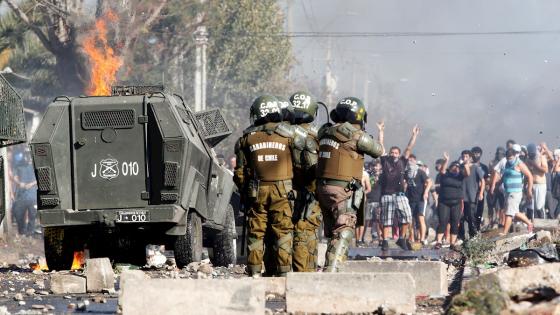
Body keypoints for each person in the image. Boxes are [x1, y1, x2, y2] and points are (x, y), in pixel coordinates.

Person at [233, 95, 306, 277]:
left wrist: (245, 191)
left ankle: (255, 271)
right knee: (282, 232)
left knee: (256, 233)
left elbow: (240, 173)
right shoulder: (290, 135)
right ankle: (283, 274)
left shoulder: (247, 138)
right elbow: (301, 165)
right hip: (284, 191)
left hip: (257, 191)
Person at [315, 97, 382, 272]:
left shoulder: (325, 131)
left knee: (332, 233)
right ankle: (332, 271)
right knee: (344, 229)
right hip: (342, 189)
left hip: (322, 187)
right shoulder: (355, 135)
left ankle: (329, 266)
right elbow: (378, 150)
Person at [289, 91, 322, 272]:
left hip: (285, 190)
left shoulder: (283, 132)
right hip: (308, 193)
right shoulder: (315, 136)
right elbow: (315, 168)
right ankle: (305, 274)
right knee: (306, 234)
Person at [377, 122, 420, 251]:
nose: (394, 154)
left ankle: (401, 239)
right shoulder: (385, 161)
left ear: (399, 154)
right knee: (386, 219)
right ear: (390, 153)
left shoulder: (402, 161)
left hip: (400, 194)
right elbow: (380, 145)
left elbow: (409, 148)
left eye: (396, 153)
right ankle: (384, 241)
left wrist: (414, 135)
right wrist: (381, 131)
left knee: (407, 216)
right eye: (392, 152)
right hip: (387, 194)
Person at [490, 148, 533, 234]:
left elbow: (529, 176)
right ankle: (529, 223)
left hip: (515, 192)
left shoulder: (519, 164)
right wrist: (496, 184)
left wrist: (529, 190)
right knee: (514, 213)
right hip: (507, 191)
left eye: (511, 158)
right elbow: (504, 176)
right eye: (508, 158)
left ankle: (505, 232)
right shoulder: (506, 164)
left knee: (509, 213)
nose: (510, 160)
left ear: (514, 156)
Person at [434, 152, 470, 250]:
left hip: (456, 202)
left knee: (455, 222)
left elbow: (467, 173)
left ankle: (452, 243)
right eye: (454, 167)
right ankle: (438, 242)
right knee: (443, 221)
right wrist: (446, 160)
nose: (456, 168)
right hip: (444, 202)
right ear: (450, 168)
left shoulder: (460, 176)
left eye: (458, 167)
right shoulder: (445, 175)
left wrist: (466, 164)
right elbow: (442, 170)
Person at [405, 155, 432, 245]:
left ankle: (422, 238)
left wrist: (426, 192)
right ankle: (412, 237)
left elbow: (429, 182)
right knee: (410, 219)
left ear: (415, 161)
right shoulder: (406, 173)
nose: (410, 161)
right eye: (409, 160)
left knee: (420, 218)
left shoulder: (420, 172)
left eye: (412, 160)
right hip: (410, 199)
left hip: (420, 199)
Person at [11, 150, 37, 236]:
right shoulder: (19, 165)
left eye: (29, 155)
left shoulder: (36, 165)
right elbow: (14, 176)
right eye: (25, 155)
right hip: (21, 194)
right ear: (24, 155)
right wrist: (19, 183)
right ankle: (22, 231)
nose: (27, 157)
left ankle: (30, 232)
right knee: (18, 213)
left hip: (33, 194)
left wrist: (31, 184)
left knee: (32, 215)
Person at [459, 150, 485, 239]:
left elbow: (483, 181)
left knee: (471, 217)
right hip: (461, 197)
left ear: (470, 158)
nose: (464, 158)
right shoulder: (460, 168)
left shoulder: (476, 167)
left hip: (472, 197)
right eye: (463, 156)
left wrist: (481, 193)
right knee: (461, 218)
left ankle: (473, 236)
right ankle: (461, 237)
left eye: (466, 156)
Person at [525, 143, 548, 219]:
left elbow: (545, 170)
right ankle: (531, 225)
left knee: (539, 206)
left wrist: (534, 165)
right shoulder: (527, 160)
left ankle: (543, 225)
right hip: (531, 185)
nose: (531, 155)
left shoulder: (541, 157)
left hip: (540, 185)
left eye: (532, 154)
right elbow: (526, 173)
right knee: (530, 207)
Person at [471, 146, 489, 230]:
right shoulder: (468, 166)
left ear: (480, 154)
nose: (475, 155)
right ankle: (471, 229)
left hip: (480, 192)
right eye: (474, 153)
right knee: (471, 211)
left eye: (477, 153)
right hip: (470, 192)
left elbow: (486, 180)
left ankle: (477, 228)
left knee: (479, 211)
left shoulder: (484, 167)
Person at [366, 160, 383, 245]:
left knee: (378, 220)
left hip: (379, 200)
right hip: (369, 200)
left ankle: (380, 238)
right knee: (368, 220)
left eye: (377, 166)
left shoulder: (383, 176)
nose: (376, 168)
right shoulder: (368, 175)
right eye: (374, 166)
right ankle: (373, 237)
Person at [355, 168, 372, 246]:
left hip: (362, 200)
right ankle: (357, 239)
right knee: (355, 220)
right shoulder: (352, 172)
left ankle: (360, 239)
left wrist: (362, 193)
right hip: (353, 200)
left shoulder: (364, 174)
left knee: (361, 220)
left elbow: (369, 189)